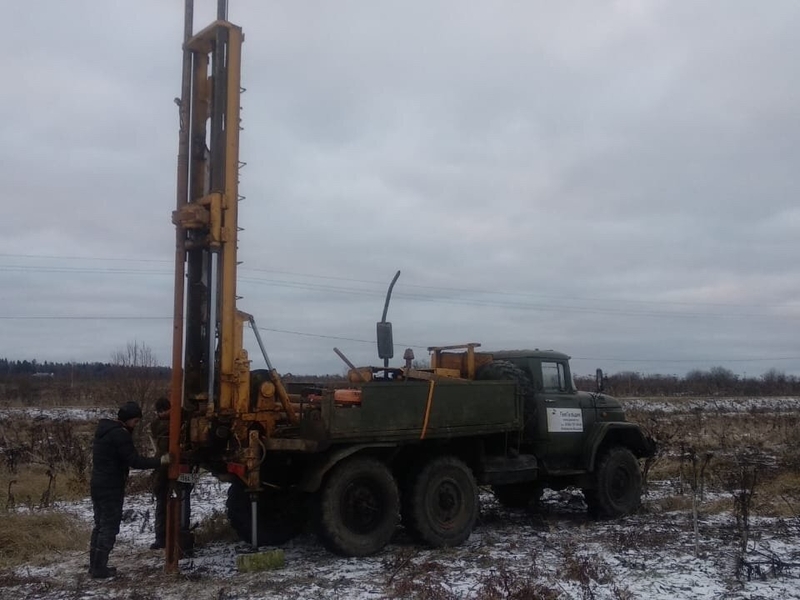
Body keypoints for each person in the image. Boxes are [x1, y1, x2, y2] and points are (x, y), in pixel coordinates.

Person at [89, 401, 170, 579]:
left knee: (100, 525)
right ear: (128, 420)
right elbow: (134, 461)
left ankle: (94, 565)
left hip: (97, 484)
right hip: (111, 486)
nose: (135, 425)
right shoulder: (120, 435)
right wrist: (160, 461)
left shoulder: (104, 432)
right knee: (109, 526)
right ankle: (99, 568)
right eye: (135, 422)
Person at [149, 397, 171, 550]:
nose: (163, 414)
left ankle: (164, 537)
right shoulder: (159, 424)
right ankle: (162, 537)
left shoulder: (155, 423)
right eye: (161, 412)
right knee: (163, 501)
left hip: (164, 466)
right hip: (163, 466)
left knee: (163, 502)